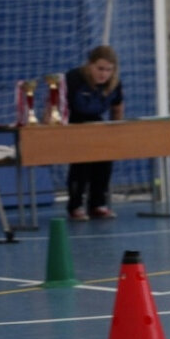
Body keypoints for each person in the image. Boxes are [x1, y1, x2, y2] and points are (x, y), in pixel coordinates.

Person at [64, 46, 124, 220]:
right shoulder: (74, 78)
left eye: (108, 70)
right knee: (81, 163)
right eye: (100, 68)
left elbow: (117, 108)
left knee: (105, 158)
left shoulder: (115, 83)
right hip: (73, 121)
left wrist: (116, 131)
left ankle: (98, 203)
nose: (103, 74)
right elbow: (58, 104)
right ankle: (75, 205)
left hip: (95, 122)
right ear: (90, 65)